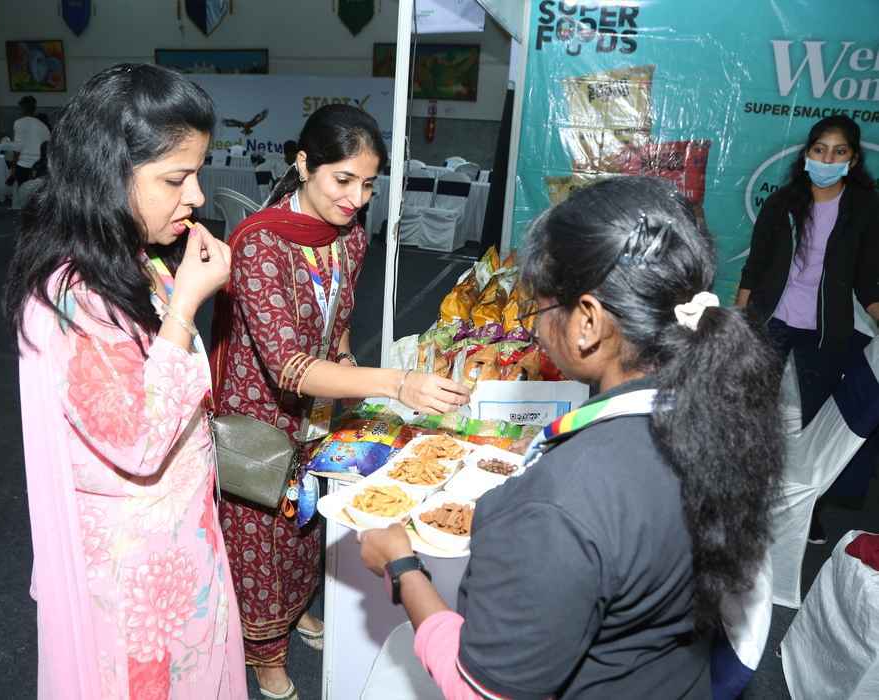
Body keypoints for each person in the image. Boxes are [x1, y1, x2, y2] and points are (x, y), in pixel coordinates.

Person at [360, 176, 785, 699]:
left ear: (588, 321)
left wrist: (403, 568)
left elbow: (481, 690)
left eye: (540, 310)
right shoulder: (722, 413)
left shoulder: (564, 499)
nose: (537, 330)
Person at [2, 63, 247, 699]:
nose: (196, 196)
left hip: (179, 544)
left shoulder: (135, 262)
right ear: (109, 173)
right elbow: (138, 441)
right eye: (175, 178)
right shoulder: (70, 296)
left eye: (197, 173)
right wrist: (186, 304)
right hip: (135, 573)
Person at [210, 104, 470, 699]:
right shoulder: (261, 244)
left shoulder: (348, 237)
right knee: (262, 537)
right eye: (343, 180)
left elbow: (339, 316)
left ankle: (298, 608)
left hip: (320, 409)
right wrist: (396, 385)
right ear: (304, 164)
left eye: (368, 185)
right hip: (261, 418)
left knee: (308, 523)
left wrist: (350, 361)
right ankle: (265, 652)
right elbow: (288, 366)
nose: (356, 199)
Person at [736, 114, 879, 543]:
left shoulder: (865, 209)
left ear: (852, 160)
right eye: (820, 150)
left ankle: (806, 509)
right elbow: (755, 267)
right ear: (807, 154)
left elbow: (868, 279)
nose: (827, 159)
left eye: (838, 152)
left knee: (810, 426)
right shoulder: (783, 202)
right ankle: (745, 502)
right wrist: (740, 324)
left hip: (825, 333)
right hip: (772, 322)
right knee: (754, 415)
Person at [12, 95, 51, 186]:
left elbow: (17, 148)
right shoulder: (43, 126)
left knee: (22, 191)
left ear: (22, 108)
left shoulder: (19, 123)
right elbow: (48, 147)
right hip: (39, 167)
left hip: (23, 165)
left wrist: (13, 168)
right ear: (34, 109)